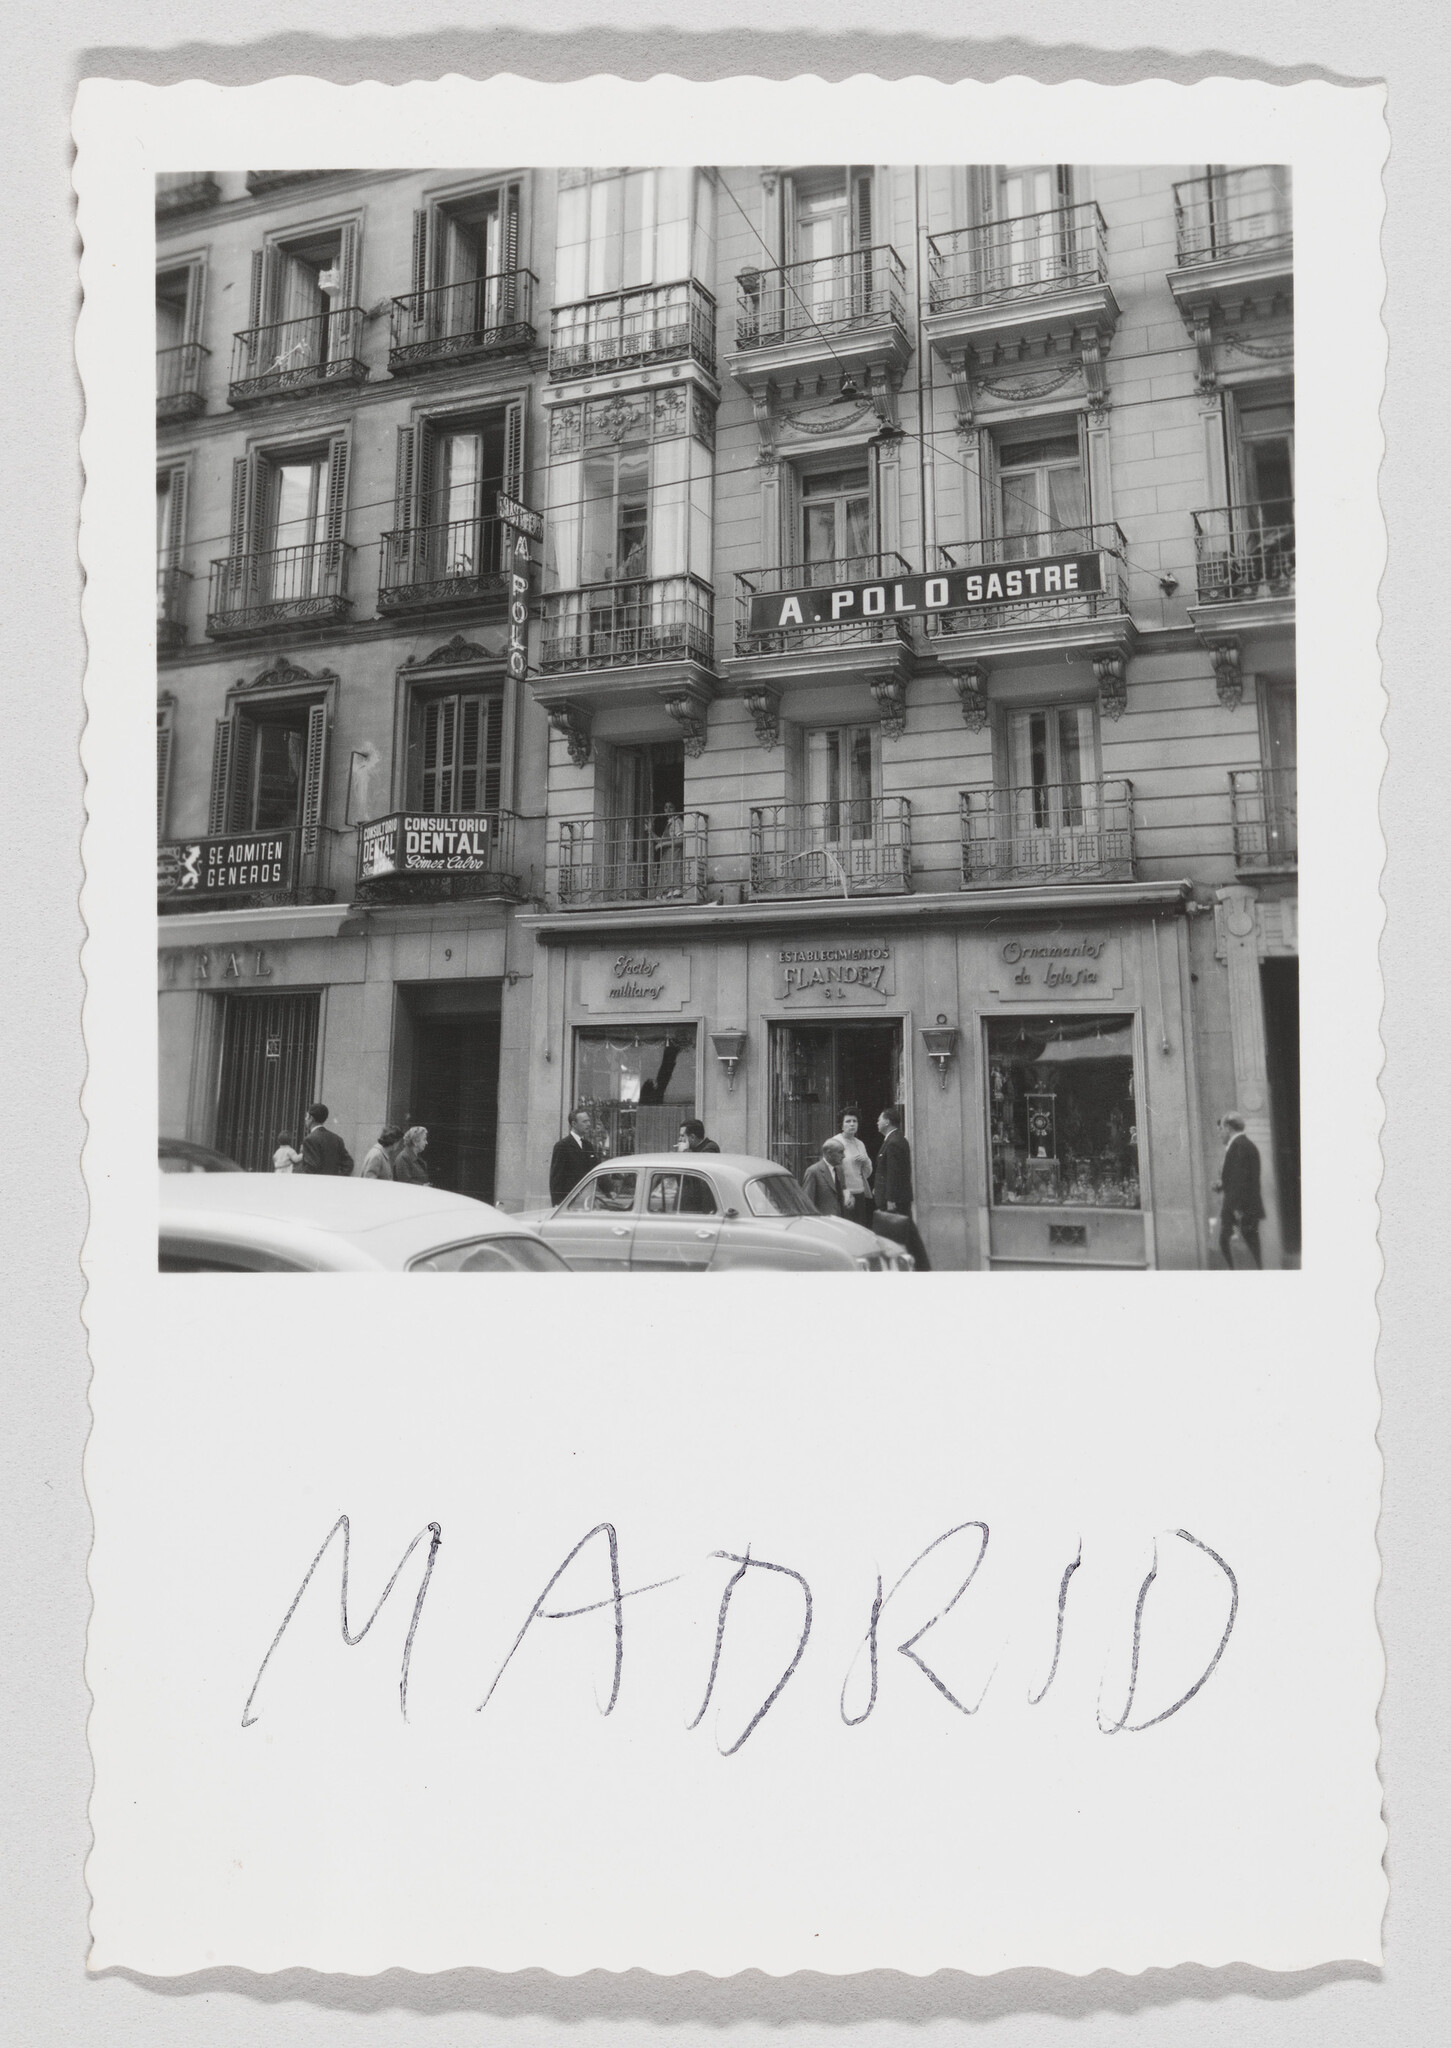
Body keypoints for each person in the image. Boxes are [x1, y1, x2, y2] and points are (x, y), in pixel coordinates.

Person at [874, 1105, 931, 1271]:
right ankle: (917, 1267)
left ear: (887, 1122)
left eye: (879, 1119)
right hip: (892, 1199)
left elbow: (895, 1173)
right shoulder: (893, 1140)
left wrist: (891, 1199)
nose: (877, 1122)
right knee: (904, 1236)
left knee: (899, 1239)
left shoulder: (894, 1142)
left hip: (894, 1202)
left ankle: (914, 1268)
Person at [1214, 1112, 1265, 1269]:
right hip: (1245, 1210)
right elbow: (1239, 1177)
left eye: (1221, 1129)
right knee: (1248, 1252)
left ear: (1228, 1128)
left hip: (1240, 1211)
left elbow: (1239, 1183)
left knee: (1236, 1250)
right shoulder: (1244, 1145)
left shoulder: (1238, 1146)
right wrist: (1222, 1185)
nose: (1219, 1133)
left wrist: (1232, 1212)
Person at [550, 1108, 600, 1205]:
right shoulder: (562, 1146)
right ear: (574, 1124)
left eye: (589, 1121)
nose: (589, 1124)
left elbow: (596, 1169)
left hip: (586, 1201)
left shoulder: (588, 1145)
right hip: (569, 1202)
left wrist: (609, 1190)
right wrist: (557, 1204)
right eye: (585, 1121)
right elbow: (556, 1178)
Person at [836, 1108, 874, 1228]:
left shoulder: (860, 1144)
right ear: (841, 1125)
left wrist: (866, 1160)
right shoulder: (836, 1142)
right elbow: (831, 1170)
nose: (852, 1124)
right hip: (844, 1193)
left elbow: (867, 1173)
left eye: (855, 1121)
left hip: (860, 1192)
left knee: (860, 1227)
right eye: (848, 1121)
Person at [298, 1103, 353, 1178]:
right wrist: (337, 1179)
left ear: (311, 1118)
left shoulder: (309, 1140)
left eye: (306, 1116)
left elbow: (310, 1168)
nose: (305, 1119)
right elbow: (349, 1164)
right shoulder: (337, 1139)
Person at [802, 1137, 846, 1217]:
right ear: (829, 1153)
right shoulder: (813, 1171)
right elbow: (808, 1202)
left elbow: (841, 1192)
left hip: (839, 1219)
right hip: (823, 1220)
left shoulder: (840, 1170)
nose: (844, 1156)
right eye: (840, 1152)